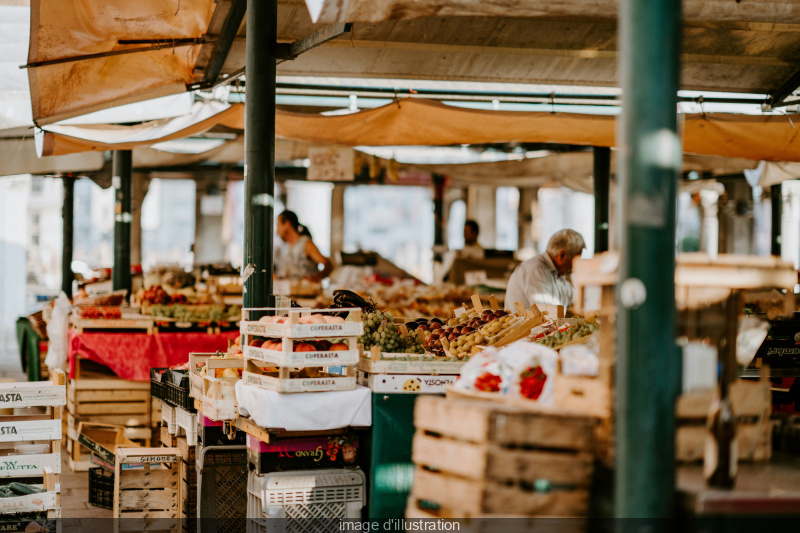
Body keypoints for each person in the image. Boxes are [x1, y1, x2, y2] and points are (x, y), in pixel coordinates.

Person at [505, 229, 586, 312]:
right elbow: (548, 314)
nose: (576, 266)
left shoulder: (558, 273)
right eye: (576, 260)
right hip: (527, 325)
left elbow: (574, 298)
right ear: (562, 255)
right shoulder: (536, 270)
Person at [275, 211, 333, 281]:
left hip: (306, 291)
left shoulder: (305, 244)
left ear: (287, 224)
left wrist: (316, 278)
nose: (277, 231)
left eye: (278, 225)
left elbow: (329, 265)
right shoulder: (286, 247)